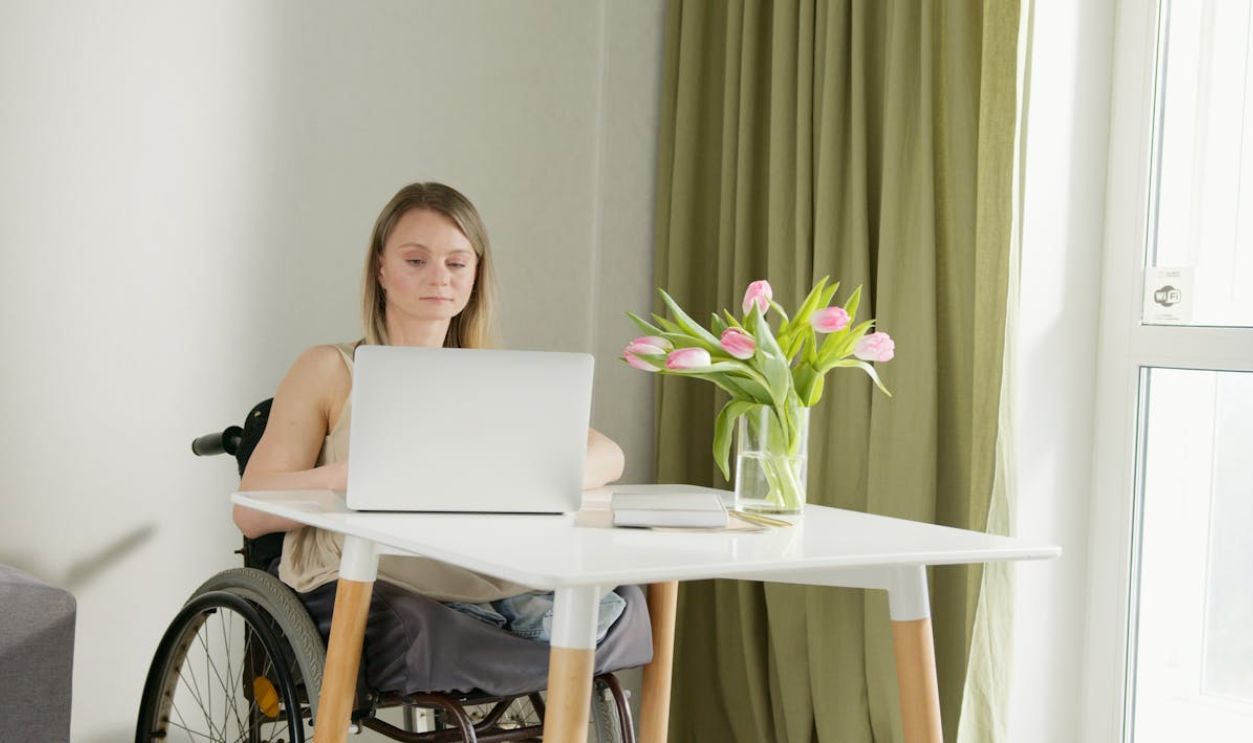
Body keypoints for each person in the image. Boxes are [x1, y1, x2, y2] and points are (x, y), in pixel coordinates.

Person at [234, 181, 627, 644]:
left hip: (475, 567)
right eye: (416, 261)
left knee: (623, 597)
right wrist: (352, 477)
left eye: (456, 263)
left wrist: (527, 479)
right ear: (381, 269)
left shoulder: (492, 377)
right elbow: (251, 510)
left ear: (475, 275)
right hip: (374, 571)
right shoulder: (329, 368)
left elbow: (609, 455)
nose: (439, 277)